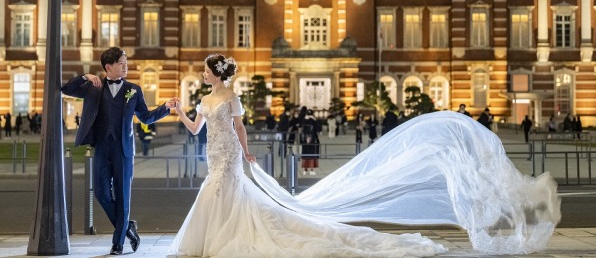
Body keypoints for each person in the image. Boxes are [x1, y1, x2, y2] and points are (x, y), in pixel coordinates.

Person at [168, 55, 448, 257]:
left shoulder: (232, 97)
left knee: (229, 188)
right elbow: (195, 130)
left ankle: (227, 235)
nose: (203, 74)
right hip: (213, 151)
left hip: (228, 151)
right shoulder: (204, 101)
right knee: (214, 190)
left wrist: (247, 152)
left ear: (216, 73)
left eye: (205, 70)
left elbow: (239, 126)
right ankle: (217, 234)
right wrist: (179, 112)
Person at [61, 46, 172, 255]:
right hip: (101, 147)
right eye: (121, 63)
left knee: (122, 196)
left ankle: (118, 243)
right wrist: (85, 76)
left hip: (123, 149)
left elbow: (146, 117)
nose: (125, 66)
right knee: (101, 193)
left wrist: (165, 107)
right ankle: (127, 227)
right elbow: (65, 88)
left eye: (126, 63)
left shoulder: (134, 90)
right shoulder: (93, 86)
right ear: (108, 67)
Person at [300, 109, 322, 176]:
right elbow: (318, 129)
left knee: (308, 155)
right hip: (312, 140)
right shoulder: (307, 120)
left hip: (307, 140)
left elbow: (318, 128)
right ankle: (309, 169)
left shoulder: (307, 120)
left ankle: (307, 170)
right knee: (310, 155)